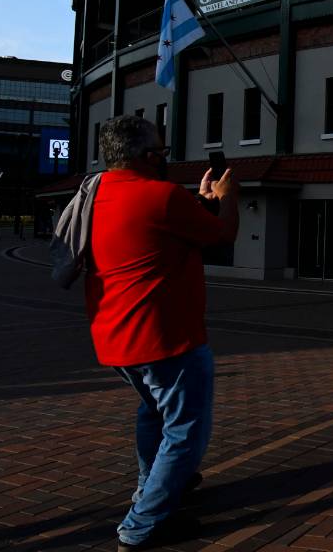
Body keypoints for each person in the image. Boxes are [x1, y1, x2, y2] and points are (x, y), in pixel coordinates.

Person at [82, 116, 239, 551]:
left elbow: (168, 233)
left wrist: (202, 202)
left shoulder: (95, 193)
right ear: (147, 156)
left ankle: (151, 493)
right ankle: (142, 524)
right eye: (163, 152)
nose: (165, 159)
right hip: (167, 338)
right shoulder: (163, 196)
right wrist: (227, 198)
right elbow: (223, 235)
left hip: (114, 338)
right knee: (186, 432)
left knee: (153, 412)